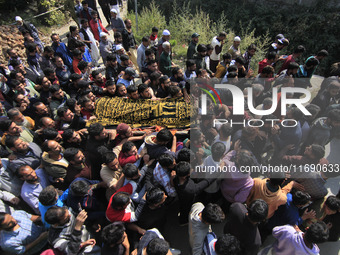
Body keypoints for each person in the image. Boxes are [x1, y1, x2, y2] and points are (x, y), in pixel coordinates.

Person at [258, 222, 329, 255]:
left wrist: (296, 231)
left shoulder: (289, 231)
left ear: (307, 228)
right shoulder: (315, 253)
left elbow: (275, 231)